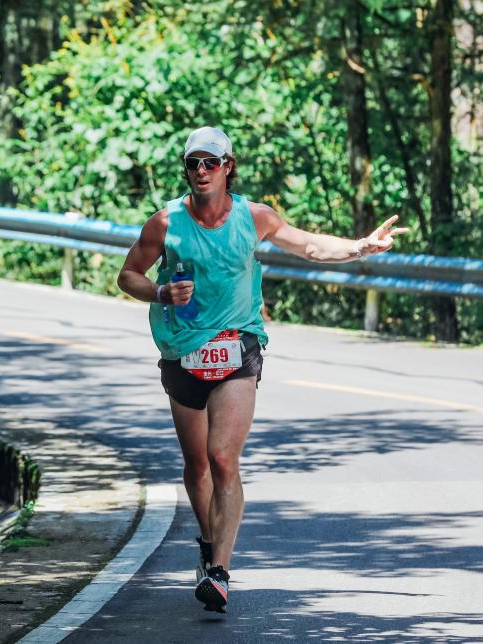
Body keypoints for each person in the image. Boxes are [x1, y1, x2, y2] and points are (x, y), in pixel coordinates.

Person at [117, 126, 408, 614]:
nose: (202, 171)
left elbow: (309, 246)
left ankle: (219, 572)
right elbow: (128, 275)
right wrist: (161, 292)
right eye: (193, 164)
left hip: (238, 346)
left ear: (228, 166)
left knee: (222, 458)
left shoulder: (254, 217)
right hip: (182, 349)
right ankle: (208, 542)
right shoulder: (165, 223)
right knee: (197, 465)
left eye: (211, 162)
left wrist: (361, 246)